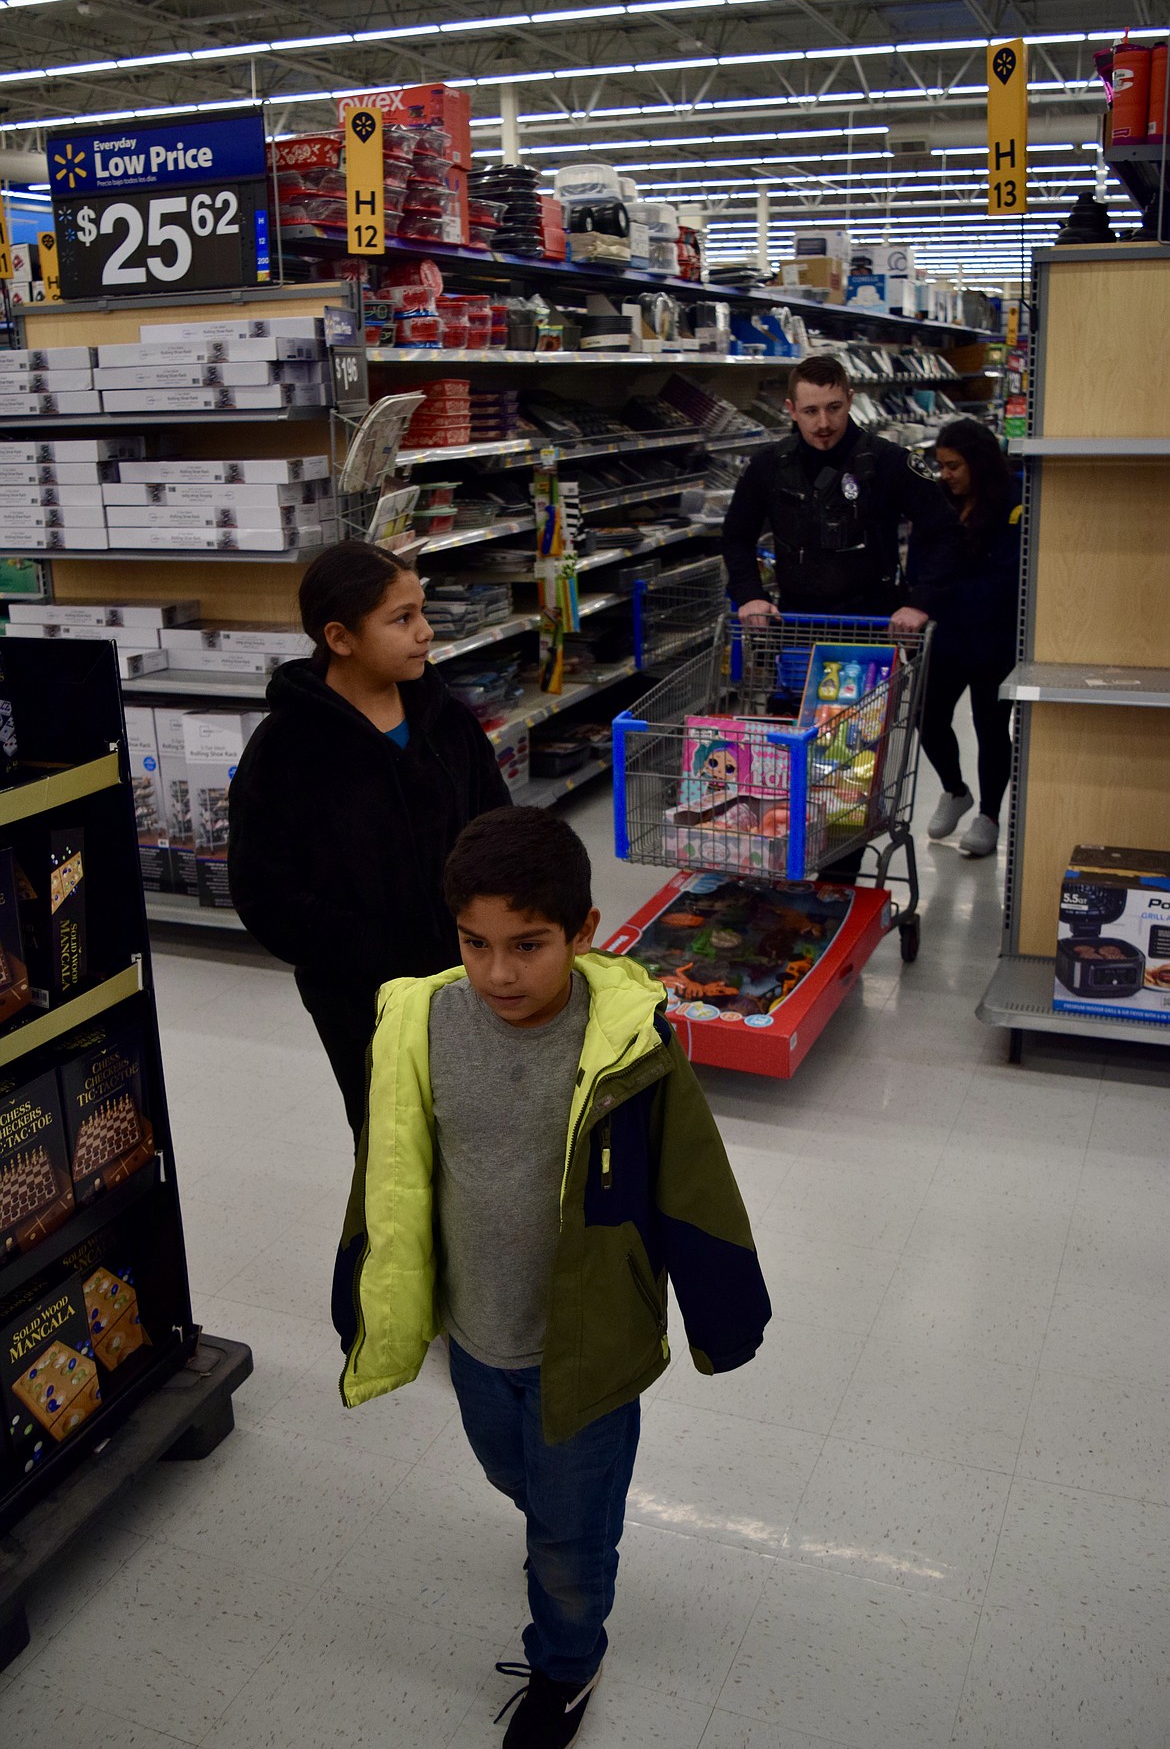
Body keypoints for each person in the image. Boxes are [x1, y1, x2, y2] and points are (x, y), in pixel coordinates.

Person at [332, 807, 771, 1748]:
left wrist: (725, 1312)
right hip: (478, 1335)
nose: (498, 972)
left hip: (588, 1346)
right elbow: (390, 1171)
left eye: (527, 945)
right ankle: (569, 1527)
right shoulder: (422, 1023)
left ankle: (567, 1660)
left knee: (566, 1538)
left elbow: (696, 1183)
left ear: (584, 930)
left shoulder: (629, 1045)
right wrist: (358, 1287)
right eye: (475, 943)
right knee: (512, 1471)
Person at [227, 539, 510, 1137]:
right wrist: (383, 951)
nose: (425, 632)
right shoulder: (285, 751)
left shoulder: (447, 719)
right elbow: (266, 896)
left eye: (423, 612)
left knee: (483, 1134)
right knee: (393, 1146)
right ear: (340, 637)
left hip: (472, 978)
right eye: (401, 619)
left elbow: (496, 825)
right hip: (360, 1000)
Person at [721, 353, 962, 634]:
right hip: (795, 626)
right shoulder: (769, 465)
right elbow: (737, 536)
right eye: (811, 411)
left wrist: (920, 602)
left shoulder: (888, 462)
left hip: (875, 627)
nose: (824, 423)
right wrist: (749, 594)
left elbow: (948, 534)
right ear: (792, 409)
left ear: (850, 400)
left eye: (834, 408)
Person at [919, 418, 1022, 858]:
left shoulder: (1014, 502)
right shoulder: (939, 501)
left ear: (977, 463)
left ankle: (990, 816)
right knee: (928, 716)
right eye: (941, 465)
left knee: (990, 726)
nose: (946, 474)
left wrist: (945, 595)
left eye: (953, 465)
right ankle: (956, 790)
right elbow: (924, 558)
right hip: (946, 634)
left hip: (993, 637)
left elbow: (1006, 578)